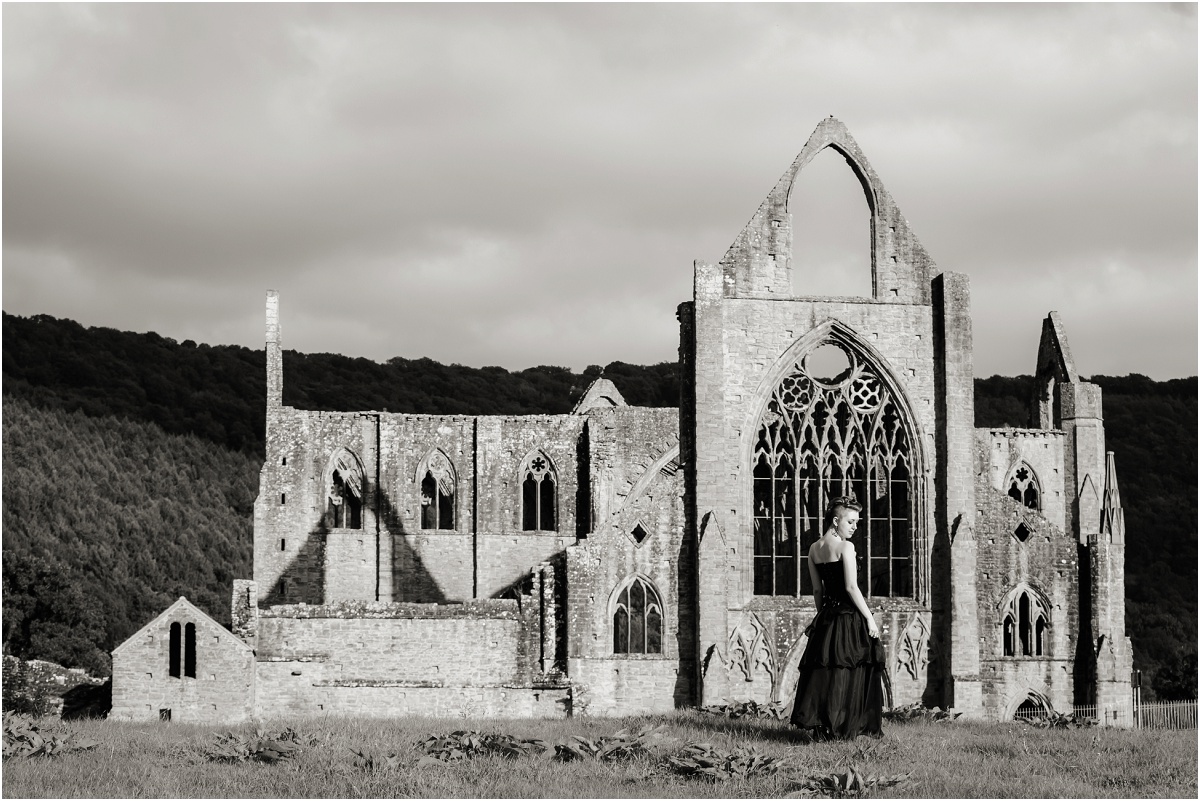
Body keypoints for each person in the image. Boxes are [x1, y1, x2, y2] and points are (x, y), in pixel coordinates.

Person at [790, 496, 885, 740]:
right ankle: (845, 729)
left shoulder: (813, 549)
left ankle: (827, 729)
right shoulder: (846, 547)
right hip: (849, 617)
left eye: (857, 522)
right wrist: (870, 620)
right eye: (851, 521)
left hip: (828, 617)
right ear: (836, 520)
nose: (855, 527)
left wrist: (821, 616)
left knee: (829, 673)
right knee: (850, 671)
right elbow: (852, 588)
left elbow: (817, 591)